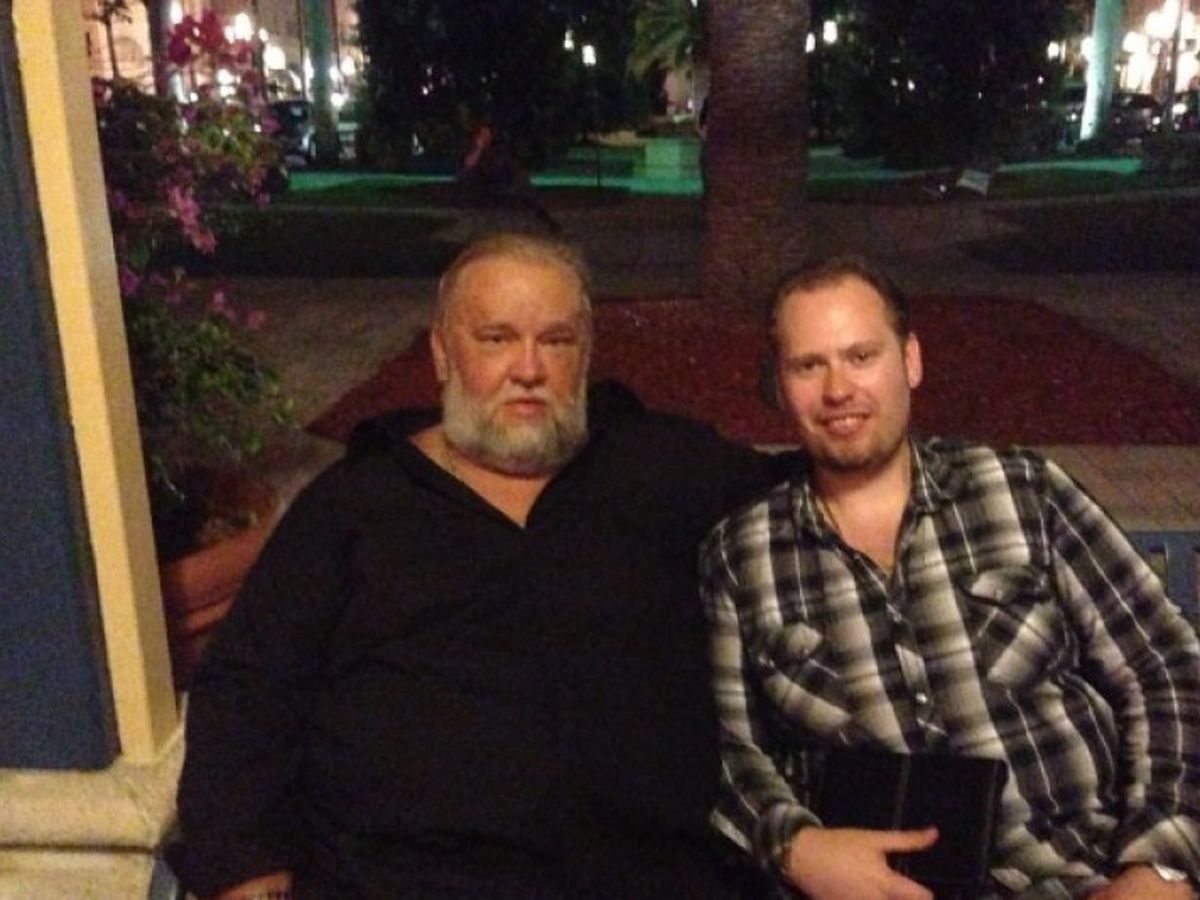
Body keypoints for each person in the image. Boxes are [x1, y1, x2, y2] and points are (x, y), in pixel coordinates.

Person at [171, 232, 789, 899]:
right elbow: (248, 692)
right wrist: (249, 874)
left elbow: (827, 500)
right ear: (443, 354)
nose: (529, 368)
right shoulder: (353, 508)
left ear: (586, 355)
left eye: (556, 340)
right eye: (496, 338)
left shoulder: (667, 470)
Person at [699, 256, 1200, 900]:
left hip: (1094, 871)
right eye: (808, 365)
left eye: (861, 356)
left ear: (910, 360)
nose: (837, 389)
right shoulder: (743, 557)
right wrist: (795, 846)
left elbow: (1165, 666)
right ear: (779, 385)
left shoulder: (1021, 493)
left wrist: (1159, 863)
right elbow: (726, 748)